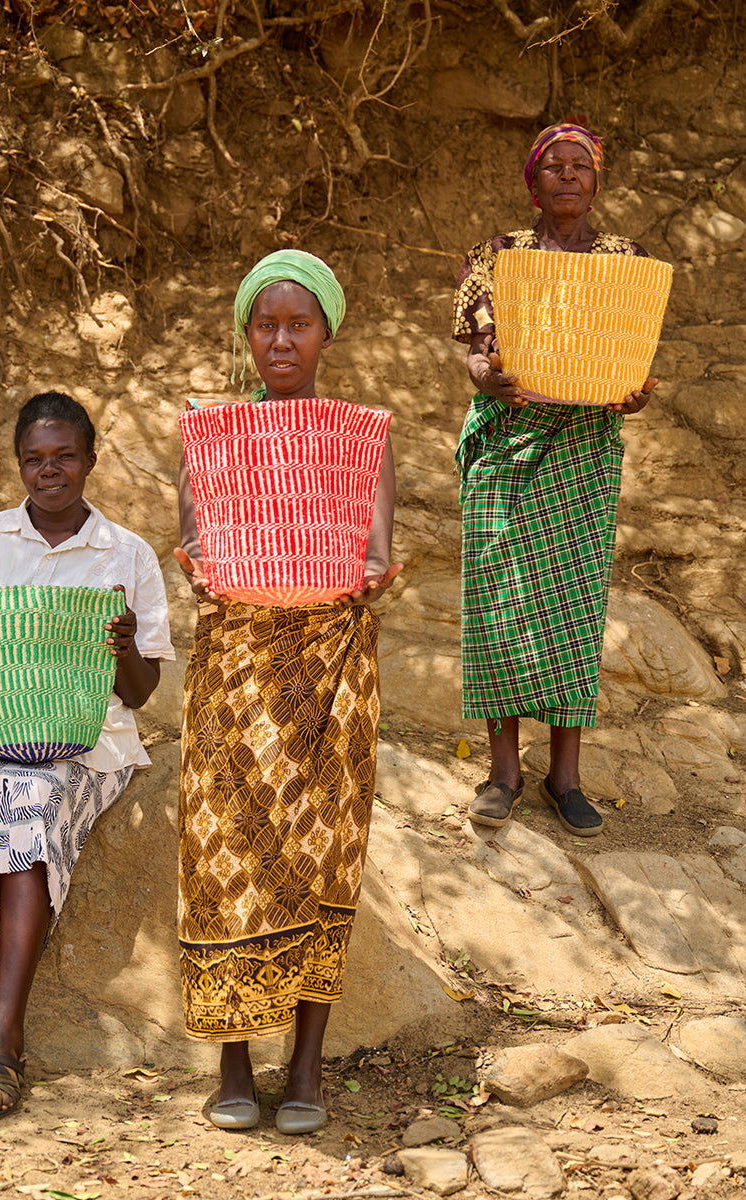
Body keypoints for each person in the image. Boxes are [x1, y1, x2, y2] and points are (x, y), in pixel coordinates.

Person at [174, 249, 402, 1135]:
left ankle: (306, 1064)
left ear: (325, 334)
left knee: (324, 853)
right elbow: (198, 544)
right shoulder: (210, 434)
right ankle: (233, 1061)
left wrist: (370, 575)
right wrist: (201, 570)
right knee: (222, 852)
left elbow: (375, 552)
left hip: (332, 662)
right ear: (246, 335)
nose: (280, 340)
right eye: (265, 325)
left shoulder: (363, 435)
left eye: (297, 324)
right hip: (234, 665)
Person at [0, 391, 174, 1120]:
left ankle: (5, 1033)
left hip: (87, 744)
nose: (49, 470)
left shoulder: (127, 554)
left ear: (90, 461)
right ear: (18, 465)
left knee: (33, 800)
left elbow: (141, 692)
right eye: (34, 459)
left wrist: (123, 647)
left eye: (64, 457)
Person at [452, 122, 660, 836]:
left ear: (596, 183)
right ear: (534, 182)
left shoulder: (625, 263)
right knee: (499, 602)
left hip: (583, 449)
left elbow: (631, 363)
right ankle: (503, 773)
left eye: (581, 165)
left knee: (573, 606)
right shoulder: (498, 255)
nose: (568, 174)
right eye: (554, 165)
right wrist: (485, 376)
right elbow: (478, 352)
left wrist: (632, 395)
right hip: (508, 442)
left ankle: (564, 777)